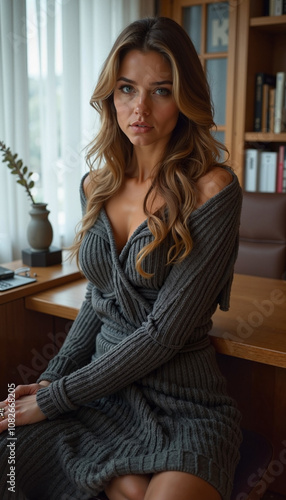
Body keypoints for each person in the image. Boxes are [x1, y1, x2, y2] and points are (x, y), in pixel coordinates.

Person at [0, 16, 242, 500]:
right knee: (13, 455)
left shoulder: (213, 190)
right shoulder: (97, 184)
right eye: (127, 88)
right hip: (104, 393)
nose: (139, 108)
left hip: (183, 400)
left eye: (161, 90)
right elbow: (98, 298)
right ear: (111, 94)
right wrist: (49, 380)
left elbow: (164, 333)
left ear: (185, 99)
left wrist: (55, 399)